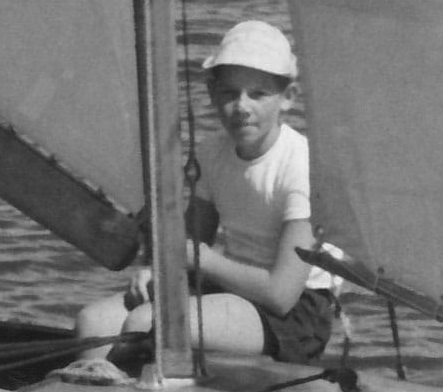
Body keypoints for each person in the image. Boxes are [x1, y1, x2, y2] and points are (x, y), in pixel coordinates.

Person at [72, 20, 340, 372]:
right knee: (92, 324)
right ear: (213, 94)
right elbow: (190, 242)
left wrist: (201, 259)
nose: (241, 106)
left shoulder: (301, 167)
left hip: (294, 316)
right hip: (232, 288)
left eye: (258, 94)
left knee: (144, 323)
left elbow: (280, 294)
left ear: (287, 99)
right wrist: (154, 271)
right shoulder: (212, 153)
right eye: (229, 93)